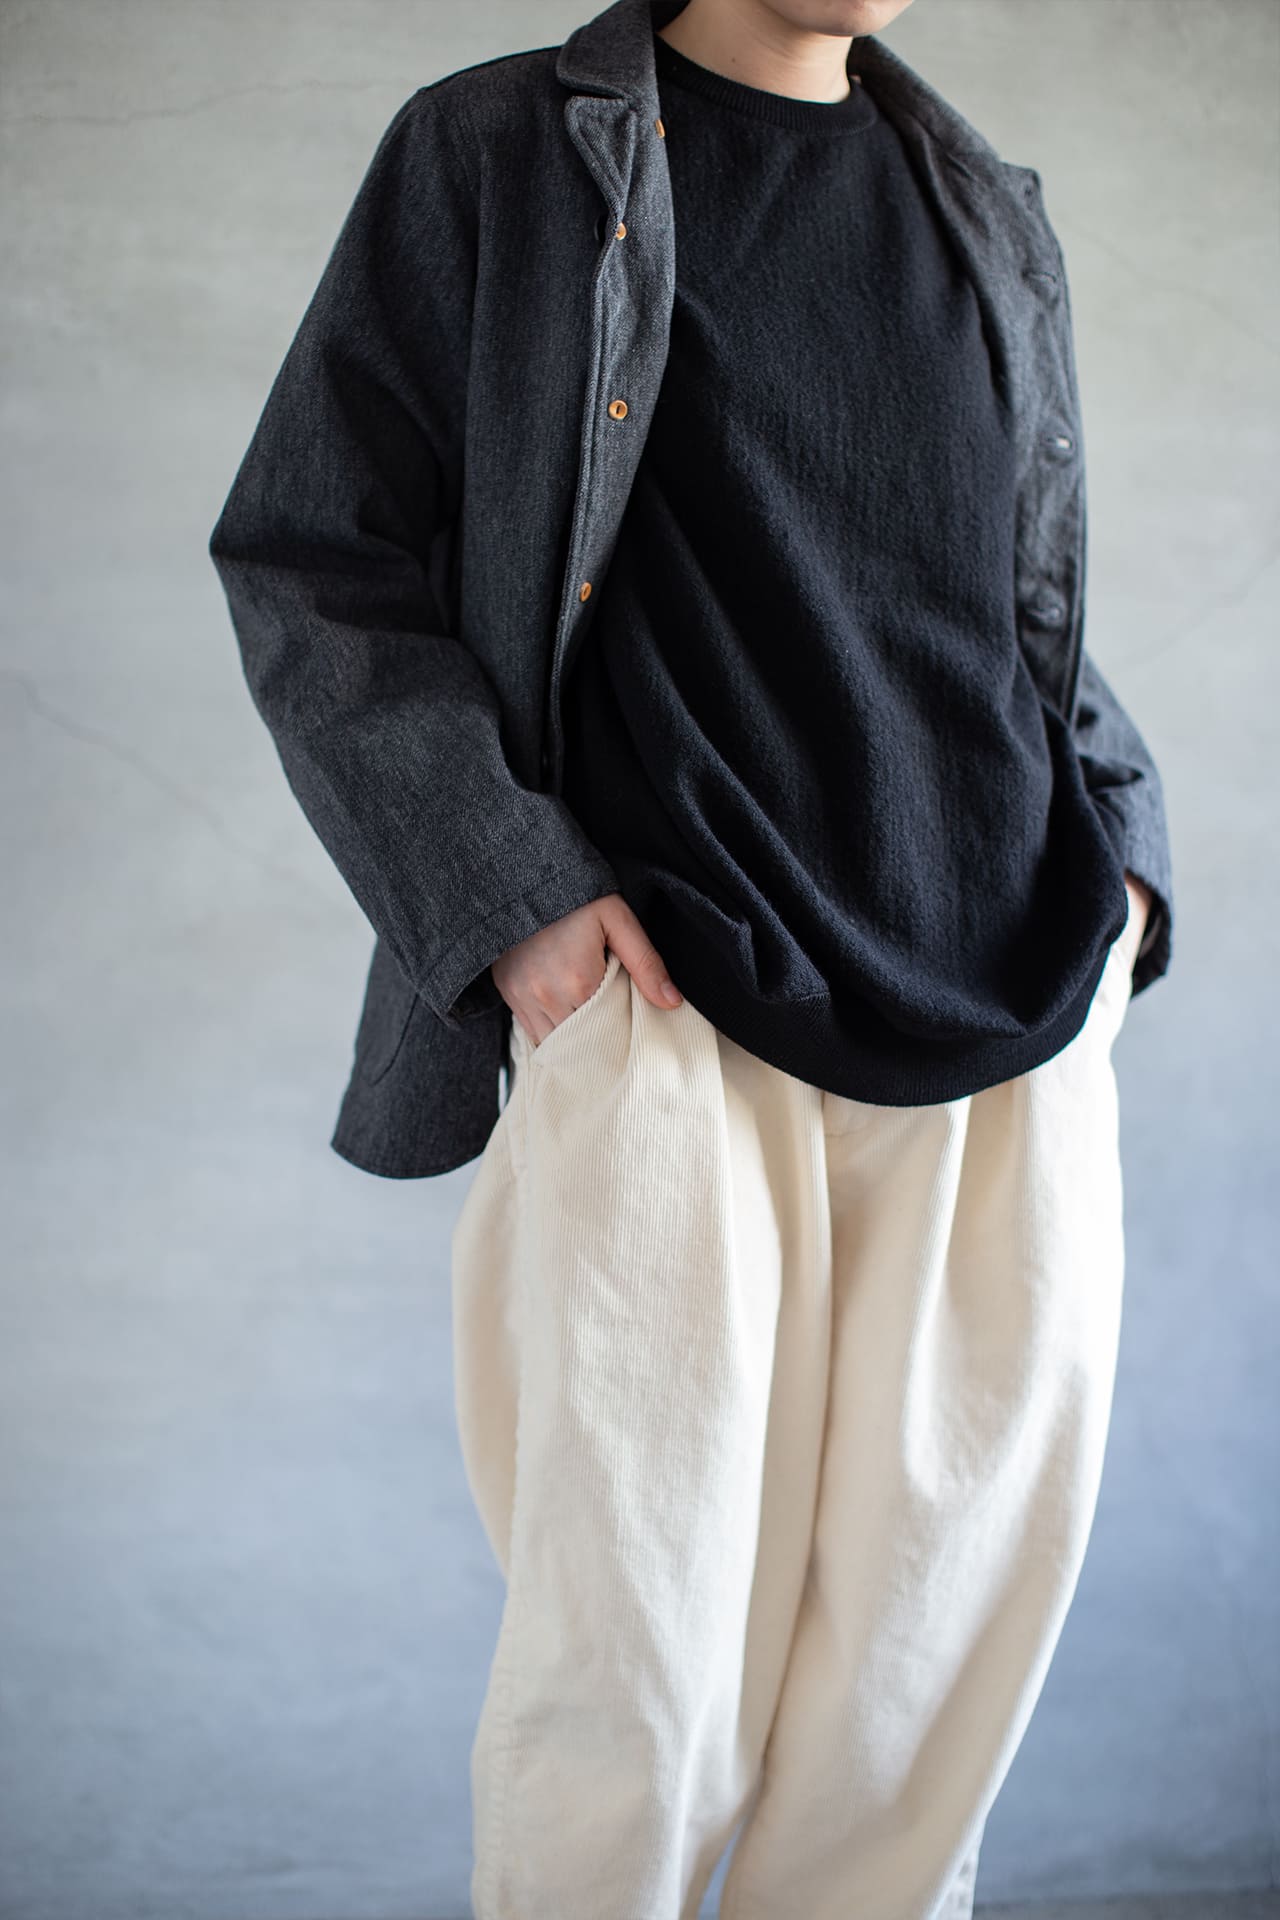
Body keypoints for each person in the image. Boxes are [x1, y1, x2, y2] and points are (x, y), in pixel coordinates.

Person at [209, 1, 1175, 1914]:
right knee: (635, 1704)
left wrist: (1125, 859)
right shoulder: (501, 155)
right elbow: (313, 550)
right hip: (674, 1015)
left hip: (1009, 1033)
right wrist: (510, 896)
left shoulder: (979, 202)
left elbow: (1010, 607)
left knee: (913, 1725)